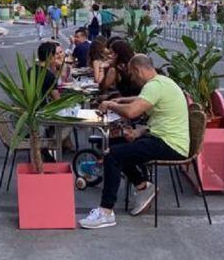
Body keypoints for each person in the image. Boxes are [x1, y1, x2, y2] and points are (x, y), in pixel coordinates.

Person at [79, 54, 190, 229]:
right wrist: (138, 130)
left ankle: (105, 211)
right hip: (166, 139)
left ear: (138, 70)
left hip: (169, 144)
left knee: (113, 156)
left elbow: (132, 112)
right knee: (116, 146)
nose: (132, 78)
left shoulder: (155, 86)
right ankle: (142, 186)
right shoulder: (163, 82)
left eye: (132, 74)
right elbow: (143, 102)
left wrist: (111, 105)